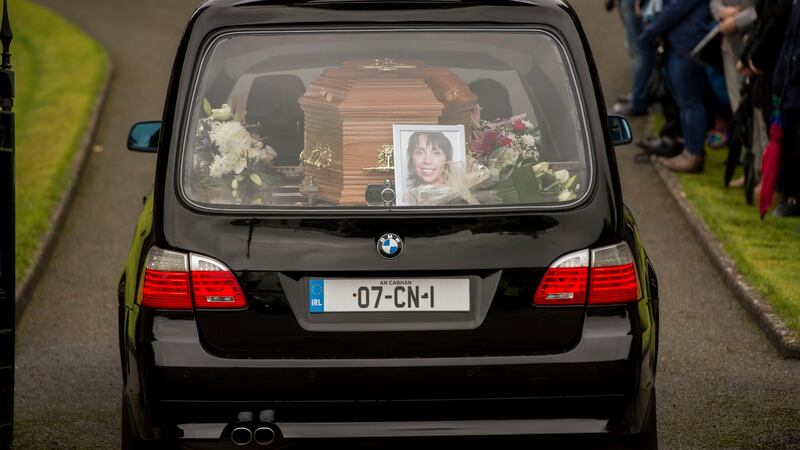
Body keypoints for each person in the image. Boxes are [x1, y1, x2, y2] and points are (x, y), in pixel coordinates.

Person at [640, 0, 714, 173]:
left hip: (687, 43)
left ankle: (694, 155)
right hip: (676, 42)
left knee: (691, 102)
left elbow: (677, 7)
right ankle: (688, 150)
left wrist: (651, 31)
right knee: (684, 102)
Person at [771, 0, 800, 216]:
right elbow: (789, 40)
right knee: (791, 144)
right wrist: (779, 79)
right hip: (790, 87)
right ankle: (790, 197)